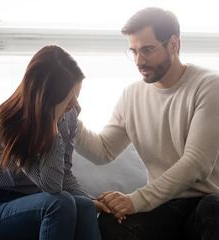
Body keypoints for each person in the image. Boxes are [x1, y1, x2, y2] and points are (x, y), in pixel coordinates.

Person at [74, 7, 219, 240]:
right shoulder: (131, 95)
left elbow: (197, 163)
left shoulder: (209, 86)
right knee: (111, 224)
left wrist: (135, 200)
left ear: (174, 44)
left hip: (206, 202)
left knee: (214, 209)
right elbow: (103, 150)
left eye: (148, 50)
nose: (139, 61)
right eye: (134, 51)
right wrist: (69, 118)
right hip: (164, 205)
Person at [0, 45, 103, 240]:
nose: (76, 106)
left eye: (76, 97)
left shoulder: (67, 117)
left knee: (85, 206)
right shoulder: (7, 124)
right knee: (59, 203)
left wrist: (91, 200)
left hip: (36, 203)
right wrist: (53, 128)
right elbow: (51, 186)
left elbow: (65, 175)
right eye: (69, 99)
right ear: (47, 97)